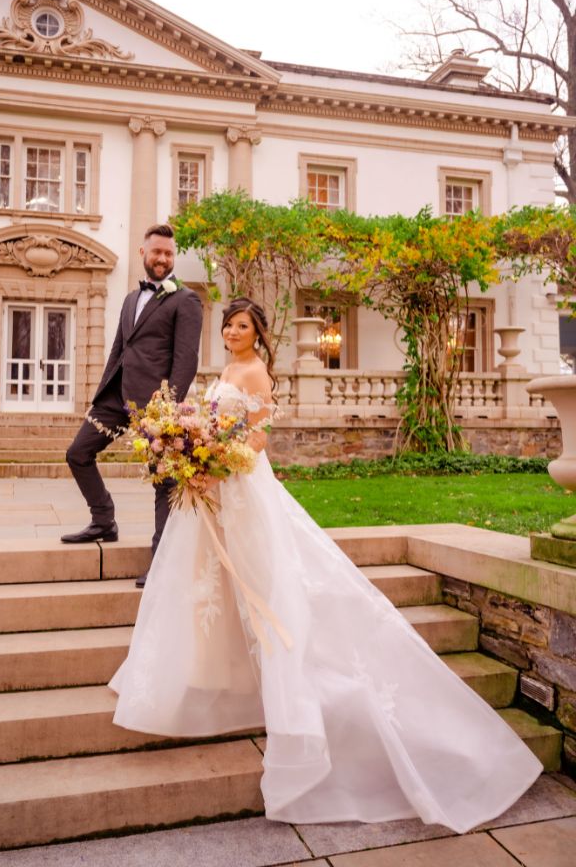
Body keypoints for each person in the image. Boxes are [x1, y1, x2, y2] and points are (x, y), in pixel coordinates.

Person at [110, 297, 542, 833]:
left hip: (242, 489)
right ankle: (212, 673)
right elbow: (218, 424)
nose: (230, 331)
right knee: (209, 584)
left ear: (258, 333)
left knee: (266, 582)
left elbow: (259, 438)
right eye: (227, 324)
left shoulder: (258, 373)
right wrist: (193, 454)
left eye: (241, 326)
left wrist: (213, 465)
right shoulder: (225, 368)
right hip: (214, 489)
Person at [62, 223, 202, 588]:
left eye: (169, 254)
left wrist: (169, 409)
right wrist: (102, 392)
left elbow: (186, 360)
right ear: (144, 253)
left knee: (164, 480)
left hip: (155, 405)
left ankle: (162, 559)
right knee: (78, 453)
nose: (163, 259)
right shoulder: (129, 299)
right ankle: (103, 520)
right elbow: (120, 348)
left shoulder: (185, 299)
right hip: (116, 398)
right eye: (157, 252)